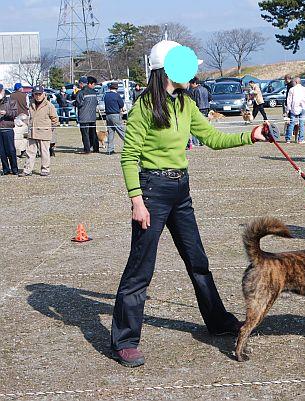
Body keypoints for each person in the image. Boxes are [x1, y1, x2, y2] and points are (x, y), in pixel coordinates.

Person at [110, 40, 267, 368]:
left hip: (181, 190)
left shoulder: (186, 103)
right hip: (153, 191)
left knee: (197, 260)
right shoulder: (144, 108)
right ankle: (124, 340)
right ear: (167, 69)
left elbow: (212, 138)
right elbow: (128, 156)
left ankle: (217, 321)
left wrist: (248, 136)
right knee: (141, 268)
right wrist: (137, 202)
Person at [19, 86, 58, 177]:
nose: (37, 96)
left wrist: (50, 129)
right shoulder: (30, 104)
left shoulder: (49, 105)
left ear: (43, 94)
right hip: (32, 132)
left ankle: (45, 169)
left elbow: (55, 119)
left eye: (39, 94)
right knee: (30, 152)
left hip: (44, 133)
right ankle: (27, 170)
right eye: (36, 94)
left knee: (44, 152)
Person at [74, 76, 99, 154]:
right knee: (93, 133)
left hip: (84, 117)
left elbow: (79, 103)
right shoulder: (94, 92)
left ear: (81, 84)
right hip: (93, 116)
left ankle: (87, 149)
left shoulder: (81, 93)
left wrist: (73, 103)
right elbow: (96, 103)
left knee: (85, 134)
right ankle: (96, 148)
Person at [0, 84, 19, 176]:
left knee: (11, 150)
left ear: (3, 91)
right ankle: (6, 169)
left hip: (8, 128)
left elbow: (15, 113)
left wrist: (6, 113)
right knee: (1, 151)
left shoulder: (11, 101)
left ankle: (14, 169)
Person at [285, 77, 305, 143]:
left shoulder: (291, 89)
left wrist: (288, 110)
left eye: (293, 81)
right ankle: (300, 139)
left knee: (291, 124)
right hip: (303, 108)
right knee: (302, 124)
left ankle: (288, 139)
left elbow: (289, 101)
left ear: (296, 82)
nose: (292, 82)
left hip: (294, 108)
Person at [104, 81, 126, 155]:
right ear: (116, 88)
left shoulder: (106, 95)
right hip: (115, 115)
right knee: (121, 132)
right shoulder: (116, 95)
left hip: (107, 116)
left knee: (110, 133)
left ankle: (110, 150)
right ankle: (129, 146)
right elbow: (121, 104)